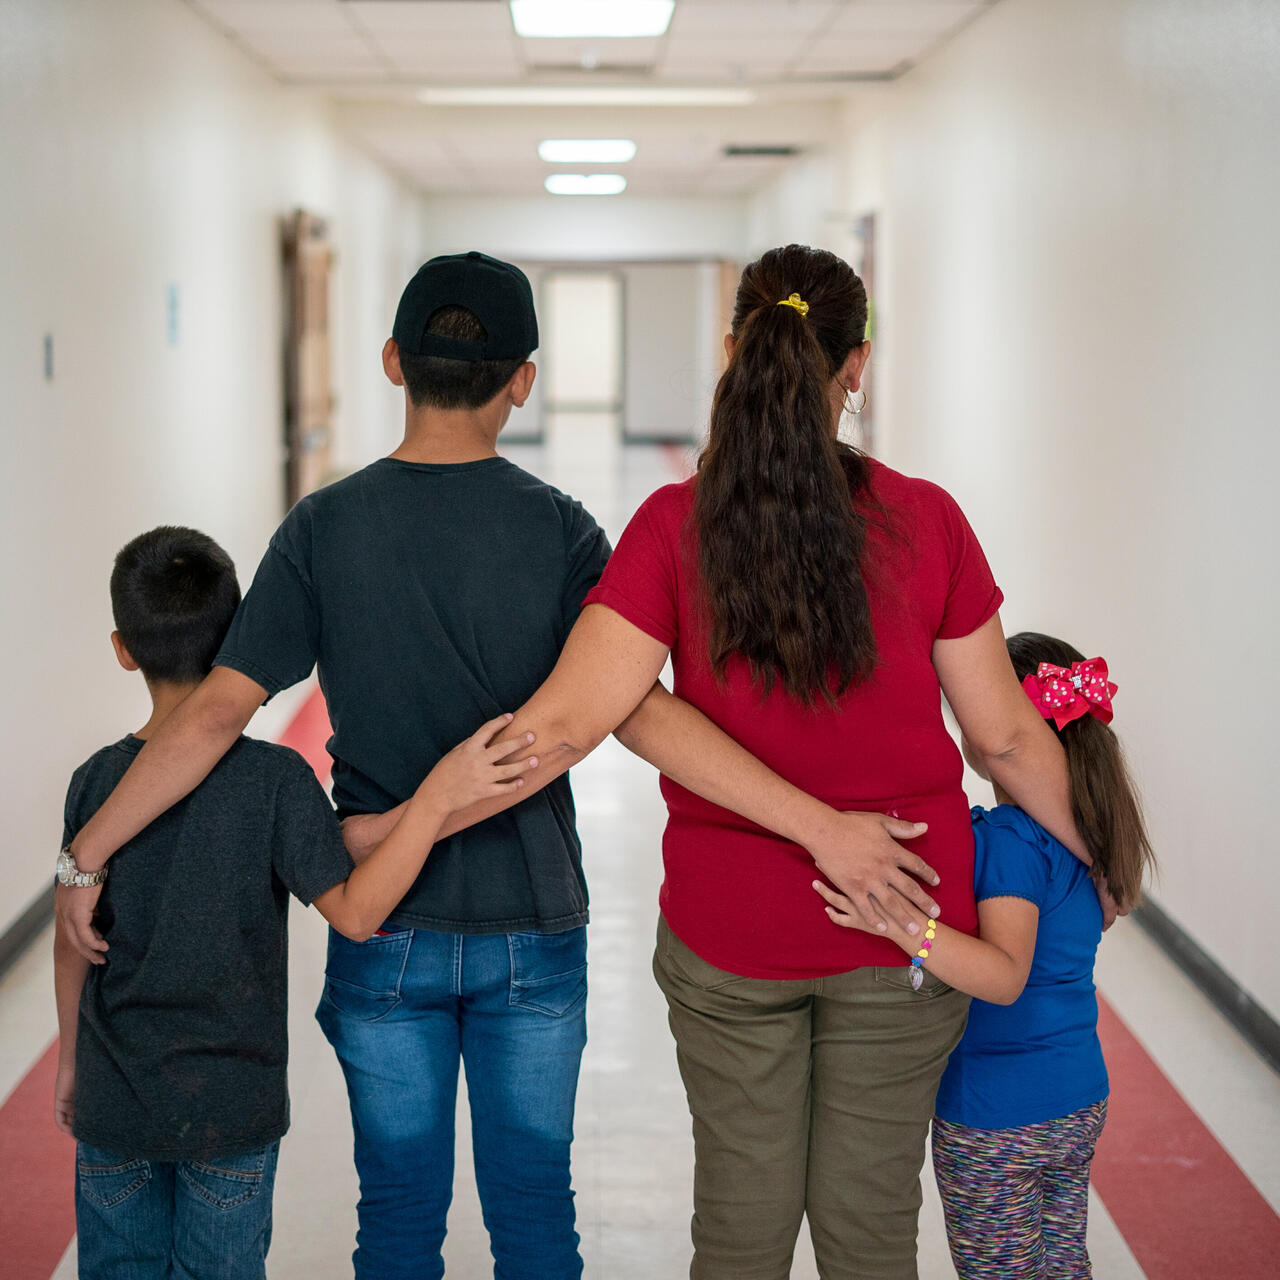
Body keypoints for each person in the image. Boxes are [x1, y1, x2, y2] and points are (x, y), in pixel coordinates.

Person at [57, 251, 940, 1280]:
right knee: (532, 1212)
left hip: (383, 925)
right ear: (522, 379)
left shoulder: (321, 528)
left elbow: (212, 716)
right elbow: (625, 710)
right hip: (531, 921)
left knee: (395, 1214)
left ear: (391, 360)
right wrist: (815, 815)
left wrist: (88, 850)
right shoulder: (559, 529)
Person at [344, 243, 1109, 1280]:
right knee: (869, 1227)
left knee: (740, 1231)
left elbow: (570, 722)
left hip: (731, 937)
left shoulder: (673, 525)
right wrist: (1098, 860)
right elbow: (1004, 738)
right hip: (908, 920)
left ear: (733, 350)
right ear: (855, 366)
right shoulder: (926, 519)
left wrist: (407, 821)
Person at [54, 526, 535, 1280]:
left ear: (124, 647)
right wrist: (440, 796)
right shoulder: (274, 781)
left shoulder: (96, 785)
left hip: (118, 1101)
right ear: (237, 635)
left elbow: (69, 932)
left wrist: (69, 1062)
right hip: (231, 1109)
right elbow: (352, 909)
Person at [818, 632, 1153, 1279]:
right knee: (1061, 1266)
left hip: (998, 1118)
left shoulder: (1010, 843)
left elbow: (1004, 976)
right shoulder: (1088, 840)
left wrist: (903, 926)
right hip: (1076, 1098)